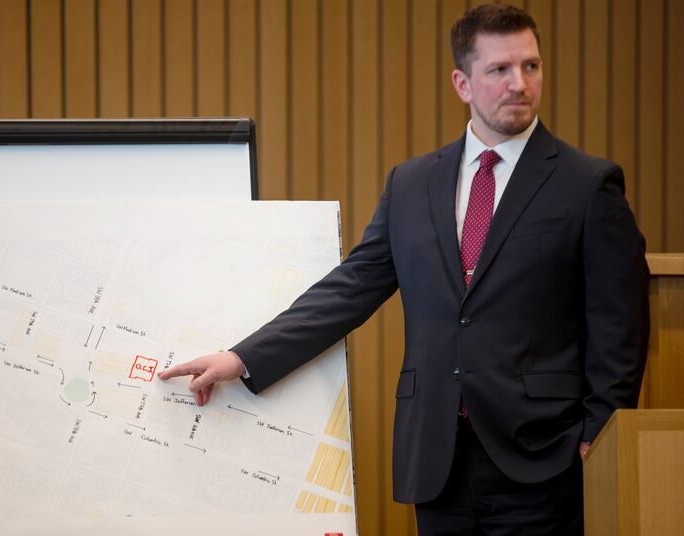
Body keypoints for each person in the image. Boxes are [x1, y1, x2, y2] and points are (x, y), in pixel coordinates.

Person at [159, 4, 649, 535]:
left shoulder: (588, 185)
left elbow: (620, 324)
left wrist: (598, 435)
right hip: (436, 460)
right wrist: (242, 357)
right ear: (462, 83)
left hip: (546, 458)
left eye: (531, 66)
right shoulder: (411, 184)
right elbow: (352, 287)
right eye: (500, 69)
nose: (519, 83)